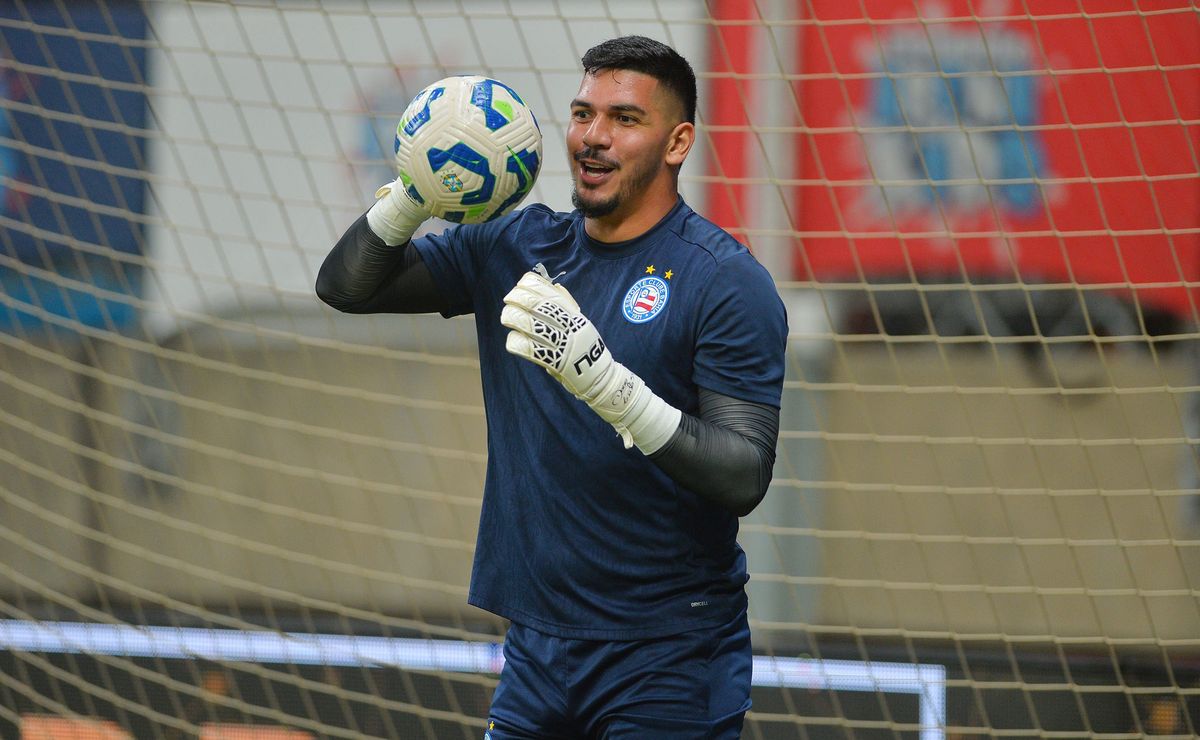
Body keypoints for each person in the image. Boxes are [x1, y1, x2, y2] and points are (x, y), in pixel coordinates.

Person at [317, 35, 787, 739]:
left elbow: (744, 472)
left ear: (678, 142)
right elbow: (346, 287)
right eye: (583, 113)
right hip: (536, 653)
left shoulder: (725, 281)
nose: (593, 137)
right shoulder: (514, 245)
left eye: (625, 119)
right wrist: (412, 195)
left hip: (669, 656)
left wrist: (607, 385)